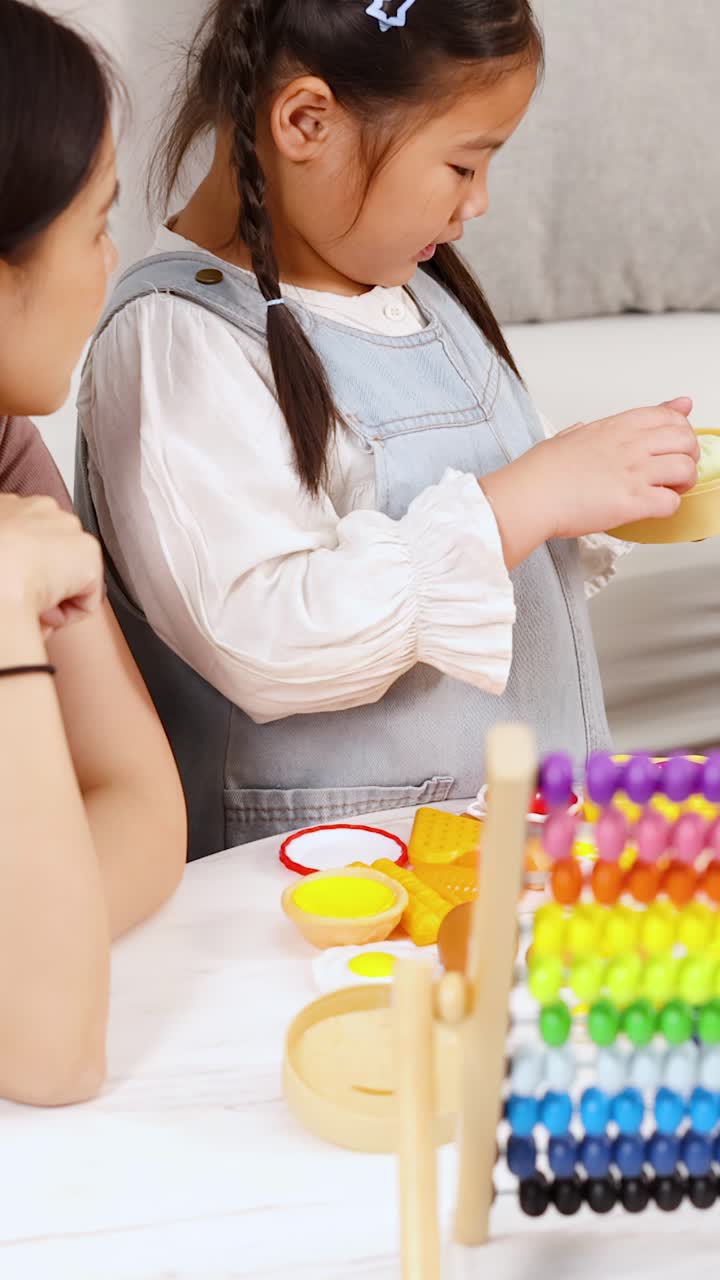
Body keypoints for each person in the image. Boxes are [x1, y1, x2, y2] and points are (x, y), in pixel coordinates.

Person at [75, 0, 698, 860]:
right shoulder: (175, 342)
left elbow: (498, 514)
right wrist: (527, 498)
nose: (478, 203)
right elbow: (264, 639)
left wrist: (602, 483)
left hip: (499, 871)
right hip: (327, 897)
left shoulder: (414, 291)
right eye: (464, 163)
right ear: (306, 121)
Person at [0, 0, 186, 1106]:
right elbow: (49, 1050)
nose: (114, 265)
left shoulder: (9, 449)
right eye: (99, 225)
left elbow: (141, 805)